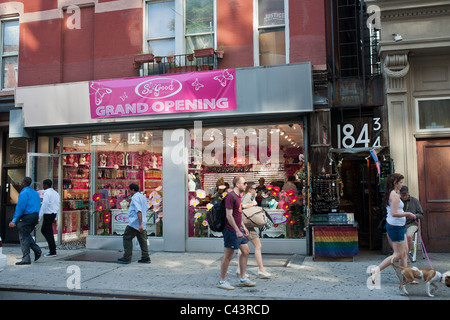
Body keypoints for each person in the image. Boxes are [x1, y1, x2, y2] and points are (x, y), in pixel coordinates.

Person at [370, 173, 416, 284]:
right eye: (400, 182)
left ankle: (406, 279)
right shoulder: (394, 196)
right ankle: (376, 269)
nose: (402, 184)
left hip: (398, 226)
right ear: (395, 183)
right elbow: (394, 213)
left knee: (404, 253)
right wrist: (408, 213)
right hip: (395, 227)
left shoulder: (392, 194)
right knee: (398, 254)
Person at [218, 176, 255, 290]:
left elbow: (238, 215)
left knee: (246, 251)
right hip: (230, 230)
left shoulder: (239, 197)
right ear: (237, 184)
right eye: (244, 183)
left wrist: (243, 227)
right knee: (228, 256)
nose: (246, 185)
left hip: (238, 230)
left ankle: (242, 278)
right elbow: (229, 216)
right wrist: (238, 230)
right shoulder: (230, 197)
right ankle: (222, 281)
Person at [237, 182, 271, 279]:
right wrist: (253, 203)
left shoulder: (249, 196)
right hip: (247, 225)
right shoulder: (247, 196)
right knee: (257, 246)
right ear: (249, 189)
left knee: (243, 248)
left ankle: (240, 269)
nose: (256, 190)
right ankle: (261, 270)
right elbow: (243, 206)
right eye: (254, 188)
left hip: (246, 225)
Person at [9, 177, 42, 265]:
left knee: (23, 237)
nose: (21, 183)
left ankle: (26, 258)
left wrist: (13, 220)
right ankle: (36, 249)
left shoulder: (24, 193)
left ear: (24, 183)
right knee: (26, 234)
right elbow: (38, 205)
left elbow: (20, 208)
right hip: (34, 216)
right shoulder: (35, 193)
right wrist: (37, 217)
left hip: (26, 217)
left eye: (21, 182)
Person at [118, 184, 150, 264]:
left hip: (135, 223)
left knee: (127, 237)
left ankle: (127, 257)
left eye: (129, 190)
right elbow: (145, 209)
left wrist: (140, 224)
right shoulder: (142, 196)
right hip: (142, 221)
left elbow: (138, 211)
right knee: (142, 239)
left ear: (132, 190)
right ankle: (145, 257)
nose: (129, 192)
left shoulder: (135, 197)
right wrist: (142, 223)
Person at [39, 179, 60, 257]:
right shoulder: (56, 193)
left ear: (46, 185)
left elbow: (44, 206)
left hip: (48, 214)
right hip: (53, 214)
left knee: (45, 231)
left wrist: (39, 217)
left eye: (43, 185)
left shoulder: (47, 193)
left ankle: (52, 250)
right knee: (48, 231)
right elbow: (58, 206)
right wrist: (56, 217)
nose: (43, 186)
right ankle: (52, 248)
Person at [399, 186, 424, 252]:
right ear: (400, 194)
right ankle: (398, 253)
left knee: (408, 236)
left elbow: (421, 214)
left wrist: (415, 216)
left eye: (406, 195)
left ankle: (406, 255)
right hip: (400, 223)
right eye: (402, 195)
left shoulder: (415, 201)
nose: (404, 197)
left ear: (408, 193)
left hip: (411, 223)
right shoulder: (398, 201)